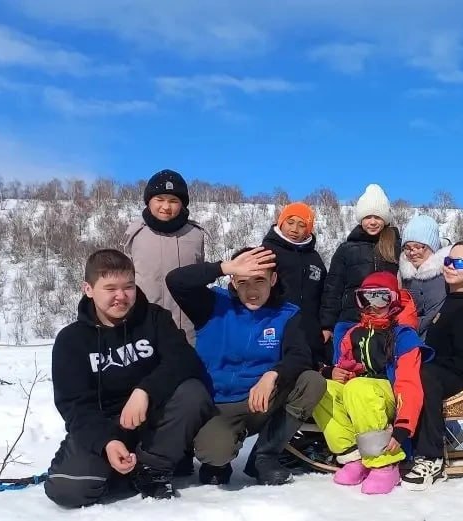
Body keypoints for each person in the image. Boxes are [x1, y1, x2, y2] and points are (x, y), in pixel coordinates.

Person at [44, 249, 214, 508]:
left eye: (128, 287)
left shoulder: (154, 318)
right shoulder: (71, 341)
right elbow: (74, 405)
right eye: (110, 288)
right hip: (104, 426)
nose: (121, 296)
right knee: (68, 490)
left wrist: (145, 391)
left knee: (193, 392)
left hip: (152, 420)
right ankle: (117, 469)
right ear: (88, 289)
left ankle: (154, 467)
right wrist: (107, 442)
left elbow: (184, 360)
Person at [165, 246, 327, 487]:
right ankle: (217, 457)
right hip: (218, 404)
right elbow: (176, 281)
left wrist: (273, 374)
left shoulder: (287, 313)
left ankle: (265, 456)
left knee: (312, 382)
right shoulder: (213, 304)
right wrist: (224, 266)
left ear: (273, 279)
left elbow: (300, 355)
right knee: (215, 453)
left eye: (259, 280)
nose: (251, 291)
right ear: (233, 280)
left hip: (260, 401)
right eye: (243, 282)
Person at [312, 271, 433, 495]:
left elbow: (409, 384)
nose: (372, 305)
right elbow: (348, 368)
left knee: (359, 388)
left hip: (389, 399)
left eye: (381, 298)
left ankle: (384, 463)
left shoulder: (402, 336)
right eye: (365, 298)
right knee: (322, 388)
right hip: (361, 398)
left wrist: (403, 427)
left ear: (393, 300)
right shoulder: (353, 334)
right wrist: (336, 373)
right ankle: (353, 457)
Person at [402, 241, 463, 490]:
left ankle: (431, 456)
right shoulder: (449, 299)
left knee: (425, 376)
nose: (450, 267)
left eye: (459, 263)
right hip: (445, 369)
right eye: (448, 261)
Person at [123, 169, 206, 347]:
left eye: (173, 201)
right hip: (143, 327)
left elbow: (200, 277)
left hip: (188, 329)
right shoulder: (135, 233)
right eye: (159, 200)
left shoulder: (196, 235)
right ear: (148, 201)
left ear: (182, 204)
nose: (166, 207)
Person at [320, 184, 401, 340]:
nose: (372, 222)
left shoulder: (395, 247)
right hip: (351, 321)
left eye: (377, 217)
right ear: (360, 219)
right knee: (346, 364)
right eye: (367, 217)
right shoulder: (347, 249)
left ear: (385, 219)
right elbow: (333, 289)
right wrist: (327, 325)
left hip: (385, 321)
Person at [261, 202, 329, 369]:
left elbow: (325, 295)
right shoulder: (266, 252)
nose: (294, 229)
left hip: (310, 331)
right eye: (290, 222)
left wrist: (327, 326)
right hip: (275, 327)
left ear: (309, 229)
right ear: (281, 222)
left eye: (301, 225)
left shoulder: (315, 258)